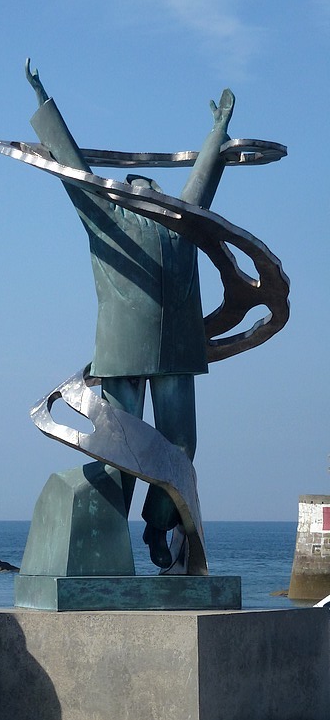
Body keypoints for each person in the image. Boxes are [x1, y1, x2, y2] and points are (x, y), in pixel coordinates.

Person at [25, 61, 234, 568]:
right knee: (118, 446)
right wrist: (43, 100)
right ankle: (105, 541)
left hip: (178, 350)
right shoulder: (107, 222)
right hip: (121, 351)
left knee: (180, 444)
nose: (145, 187)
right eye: (136, 184)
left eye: (151, 187)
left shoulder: (182, 224)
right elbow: (74, 170)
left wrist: (218, 130)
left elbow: (202, 184)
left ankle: (158, 523)